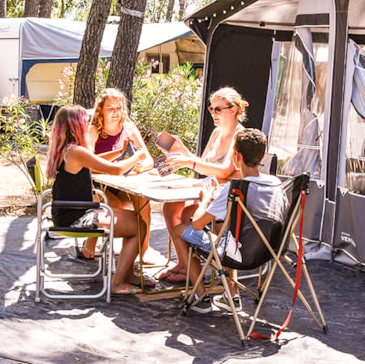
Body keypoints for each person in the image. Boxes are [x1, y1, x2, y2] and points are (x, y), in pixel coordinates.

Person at [173, 128, 288, 313]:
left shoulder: (235, 189)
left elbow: (197, 224)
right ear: (263, 155)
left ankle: (200, 296)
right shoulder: (275, 183)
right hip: (268, 252)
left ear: (237, 155)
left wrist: (206, 199)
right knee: (223, 228)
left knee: (180, 230)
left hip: (236, 252)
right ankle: (231, 295)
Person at [46, 105, 151, 295]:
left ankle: (127, 274)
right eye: (86, 123)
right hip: (76, 217)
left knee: (135, 220)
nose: (89, 126)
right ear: (76, 126)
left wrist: (121, 152)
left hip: (67, 212)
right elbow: (116, 170)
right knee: (139, 226)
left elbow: (95, 160)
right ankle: (118, 282)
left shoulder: (66, 150)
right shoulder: (77, 151)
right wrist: (137, 156)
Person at [158, 87, 249, 283]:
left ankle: (190, 268)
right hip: (209, 192)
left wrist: (189, 162)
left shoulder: (239, 136)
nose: (214, 114)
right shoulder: (217, 133)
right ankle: (185, 264)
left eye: (218, 109)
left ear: (233, 110)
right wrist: (181, 151)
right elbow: (204, 164)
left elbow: (225, 171)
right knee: (170, 207)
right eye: (211, 109)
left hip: (227, 200)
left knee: (185, 214)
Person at [82, 88, 165, 265]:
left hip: (124, 182)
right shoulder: (94, 130)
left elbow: (148, 158)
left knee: (142, 201)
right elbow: (88, 162)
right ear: (101, 110)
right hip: (97, 184)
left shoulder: (129, 127)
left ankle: (144, 249)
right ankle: (93, 238)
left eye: (119, 108)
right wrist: (117, 161)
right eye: (110, 108)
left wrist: (140, 166)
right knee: (115, 205)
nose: (116, 112)